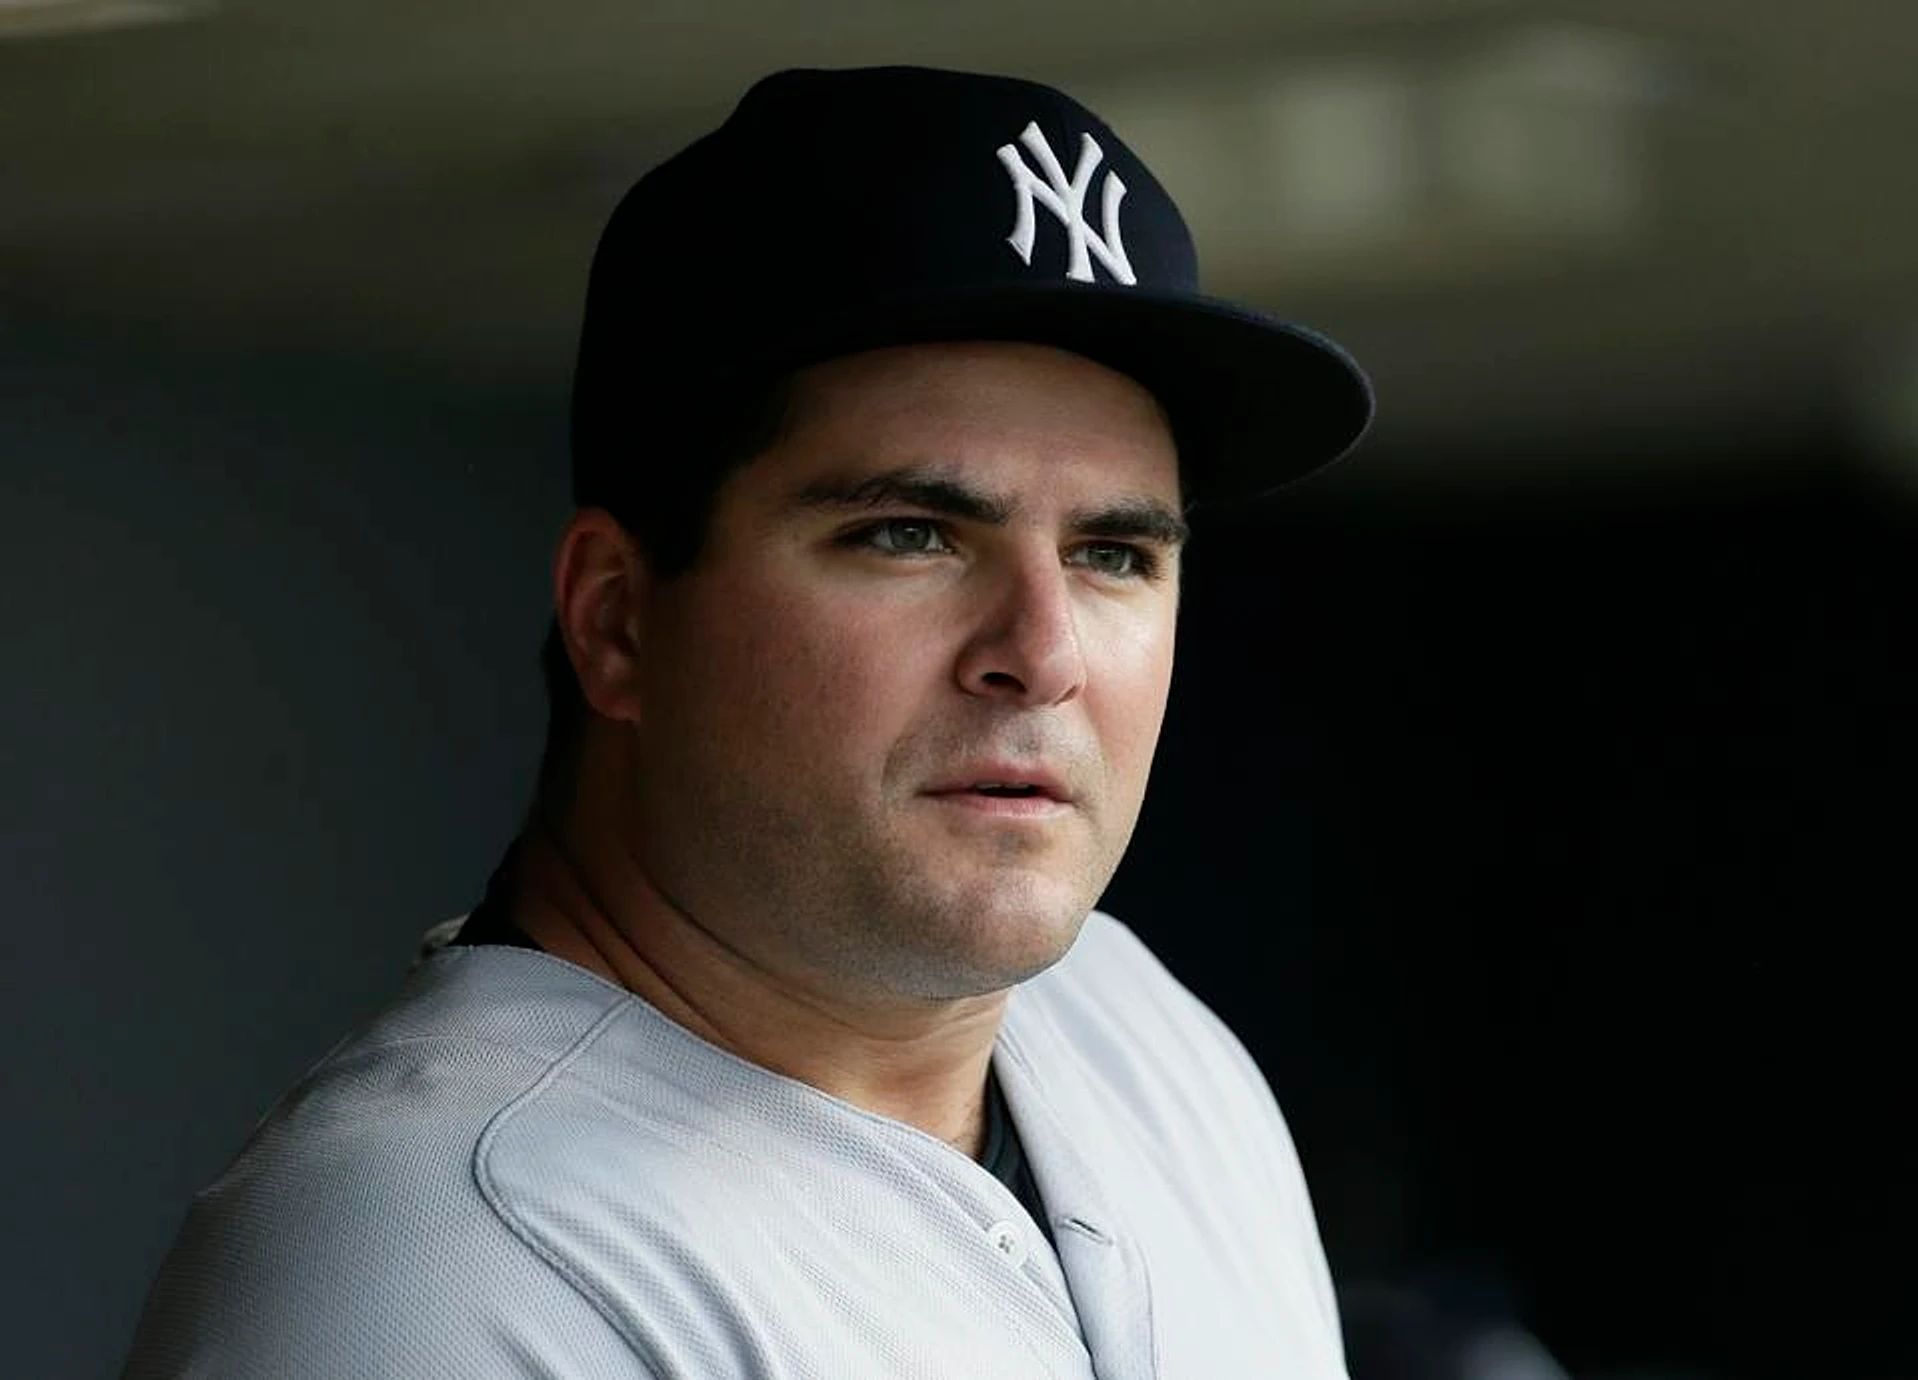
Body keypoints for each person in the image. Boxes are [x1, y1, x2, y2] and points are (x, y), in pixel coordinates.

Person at [122, 64, 1373, 1378]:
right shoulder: (427, 1275)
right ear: (618, 620)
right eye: (910, 534)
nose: (1043, 654)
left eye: (1114, 554)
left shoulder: (1137, 1030)